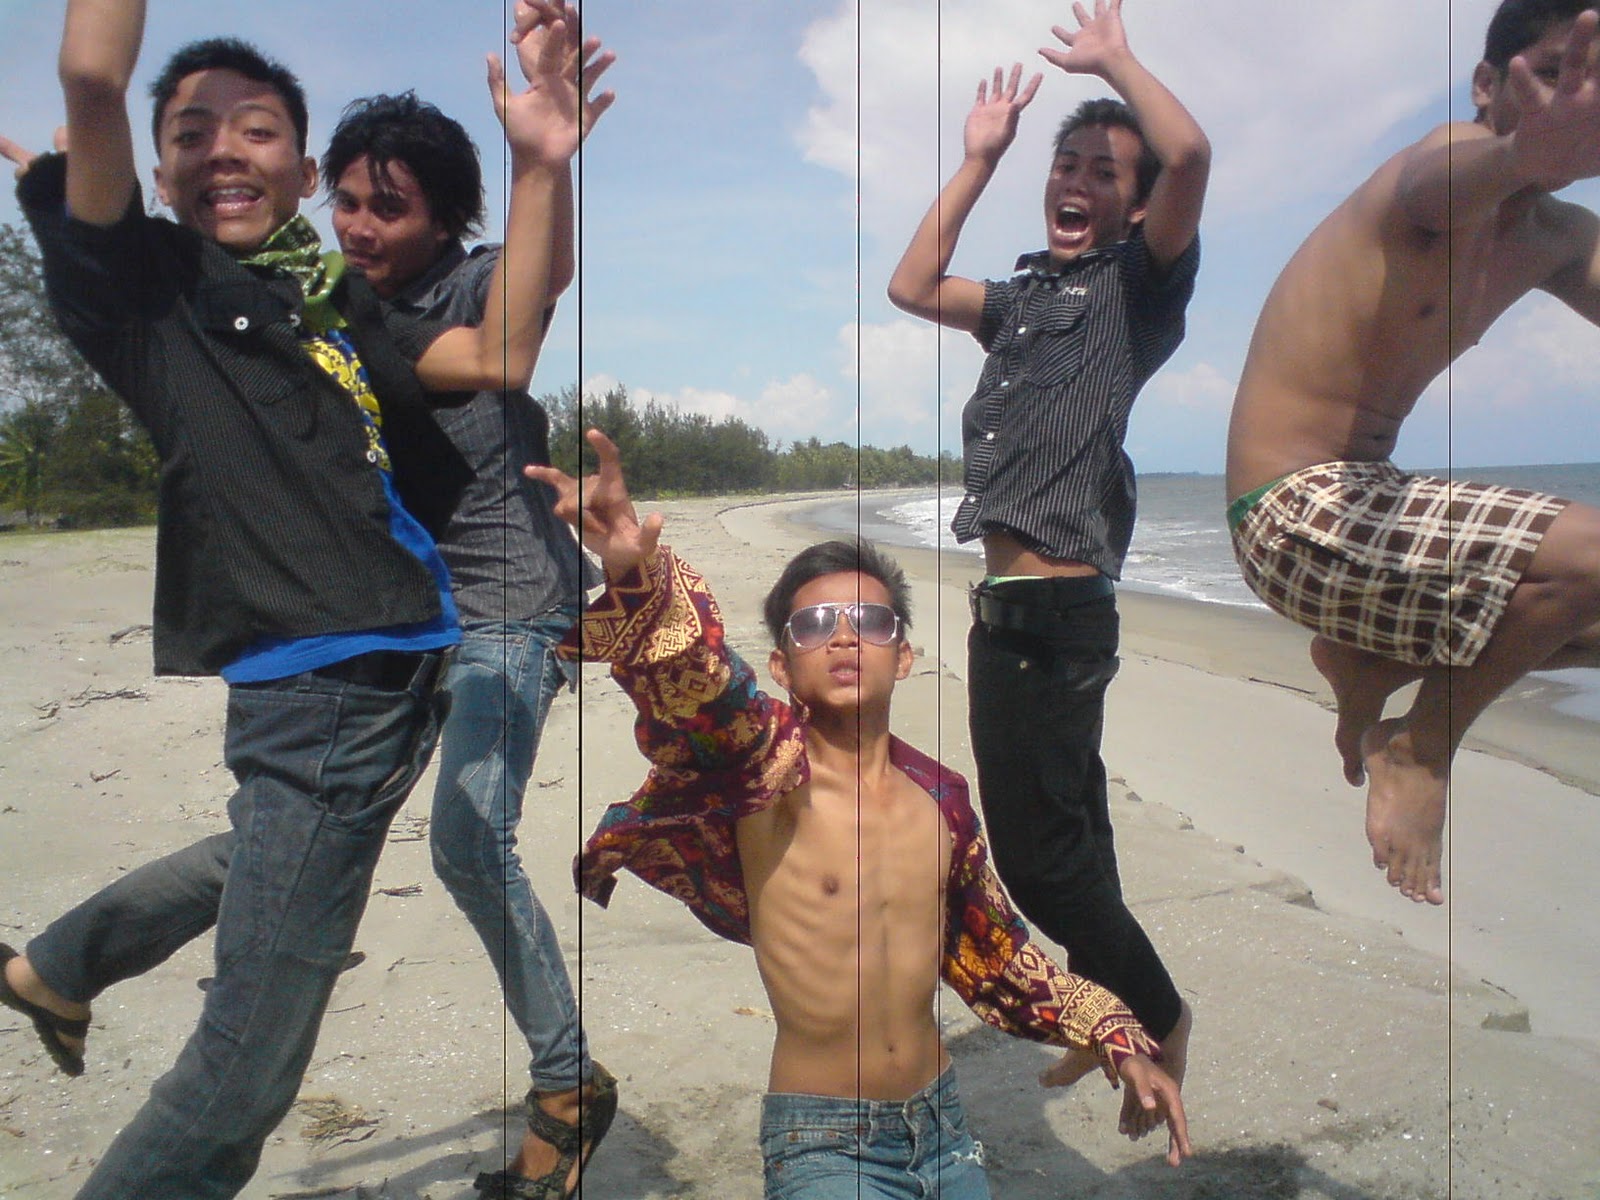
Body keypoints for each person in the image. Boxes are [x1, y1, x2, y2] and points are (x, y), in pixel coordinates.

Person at [0, 2, 600, 1196]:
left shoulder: (324, 302)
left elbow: (499, 354)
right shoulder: (150, 285)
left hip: (392, 669)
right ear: (156, 173)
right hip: (320, 680)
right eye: (191, 133)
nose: (224, 147)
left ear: (301, 168)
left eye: (257, 128)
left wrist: (540, 163)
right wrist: (90, 127)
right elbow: (92, 77)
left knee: (272, 882)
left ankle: (56, 965)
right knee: (244, 1073)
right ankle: (568, 1078)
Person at [530, 429, 1191, 1199]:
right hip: (823, 1143)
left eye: (871, 622)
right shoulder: (763, 775)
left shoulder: (942, 800)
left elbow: (997, 958)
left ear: (903, 655)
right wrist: (635, 573)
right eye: (815, 625)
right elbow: (700, 683)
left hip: (944, 1130)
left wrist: (1116, 1034)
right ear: (783, 666)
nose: (844, 635)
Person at [885, 0, 1209, 1143]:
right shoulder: (1022, 302)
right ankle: (1110, 1010)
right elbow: (912, 284)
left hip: (1055, 615)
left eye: (1101, 172)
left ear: (1134, 205)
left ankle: (1159, 1016)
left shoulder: (1135, 294)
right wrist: (979, 158)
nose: (1073, 182)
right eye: (1063, 166)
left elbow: (1191, 155)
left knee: (1038, 864)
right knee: (1080, 836)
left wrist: (1117, 60)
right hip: (1015, 613)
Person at [1225, 0, 1600, 906]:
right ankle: (1420, 749)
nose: (1578, 99)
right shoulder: (1442, 165)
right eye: (1556, 72)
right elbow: (1435, 186)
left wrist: (1535, 168)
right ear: (1487, 84)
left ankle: (1376, 666)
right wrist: (1522, 155)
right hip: (1288, 511)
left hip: (1369, 514)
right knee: (1594, 555)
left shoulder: (1557, 238)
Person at [323, 81, 617, 1197]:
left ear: (443, 217)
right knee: (310, 819)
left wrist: (544, 158)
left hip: (512, 604)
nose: (359, 226)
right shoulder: (338, 302)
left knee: (465, 834)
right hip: (401, 611)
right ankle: (79, 960)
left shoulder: (473, 280)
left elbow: (539, 288)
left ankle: (566, 1084)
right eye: (346, 201)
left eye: (387, 207)